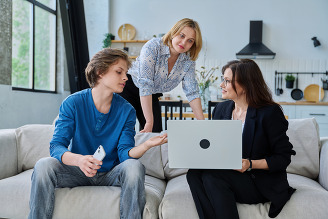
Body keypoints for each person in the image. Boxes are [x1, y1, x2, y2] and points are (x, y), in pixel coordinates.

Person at [28, 48, 168, 219]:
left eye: (126, 72)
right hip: (77, 171)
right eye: (119, 72)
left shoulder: (127, 110)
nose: (126, 78)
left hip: (110, 173)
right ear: (100, 72)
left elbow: (125, 154)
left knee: (134, 167)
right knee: (43, 165)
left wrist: (146, 144)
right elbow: (56, 146)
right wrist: (79, 160)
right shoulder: (73, 103)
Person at [187, 59, 296, 219]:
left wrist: (250, 164)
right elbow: (216, 146)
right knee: (193, 174)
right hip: (230, 176)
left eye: (227, 81)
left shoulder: (270, 113)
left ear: (245, 85)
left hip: (258, 181)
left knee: (213, 177)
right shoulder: (221, 109)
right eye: (223, 79)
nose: (221, 85)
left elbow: (283, 158)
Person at [119, 18, 205, 133]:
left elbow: (192, 92)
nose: (184, 43)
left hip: (151, 94)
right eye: (182, 36)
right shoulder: (153, 46)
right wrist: (149, 121)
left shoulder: (188, 60)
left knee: (155, 133)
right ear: (173, 32)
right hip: (129, 88)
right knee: (125, 130)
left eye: (190, 41)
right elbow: (145, 84)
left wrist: (204, 124)